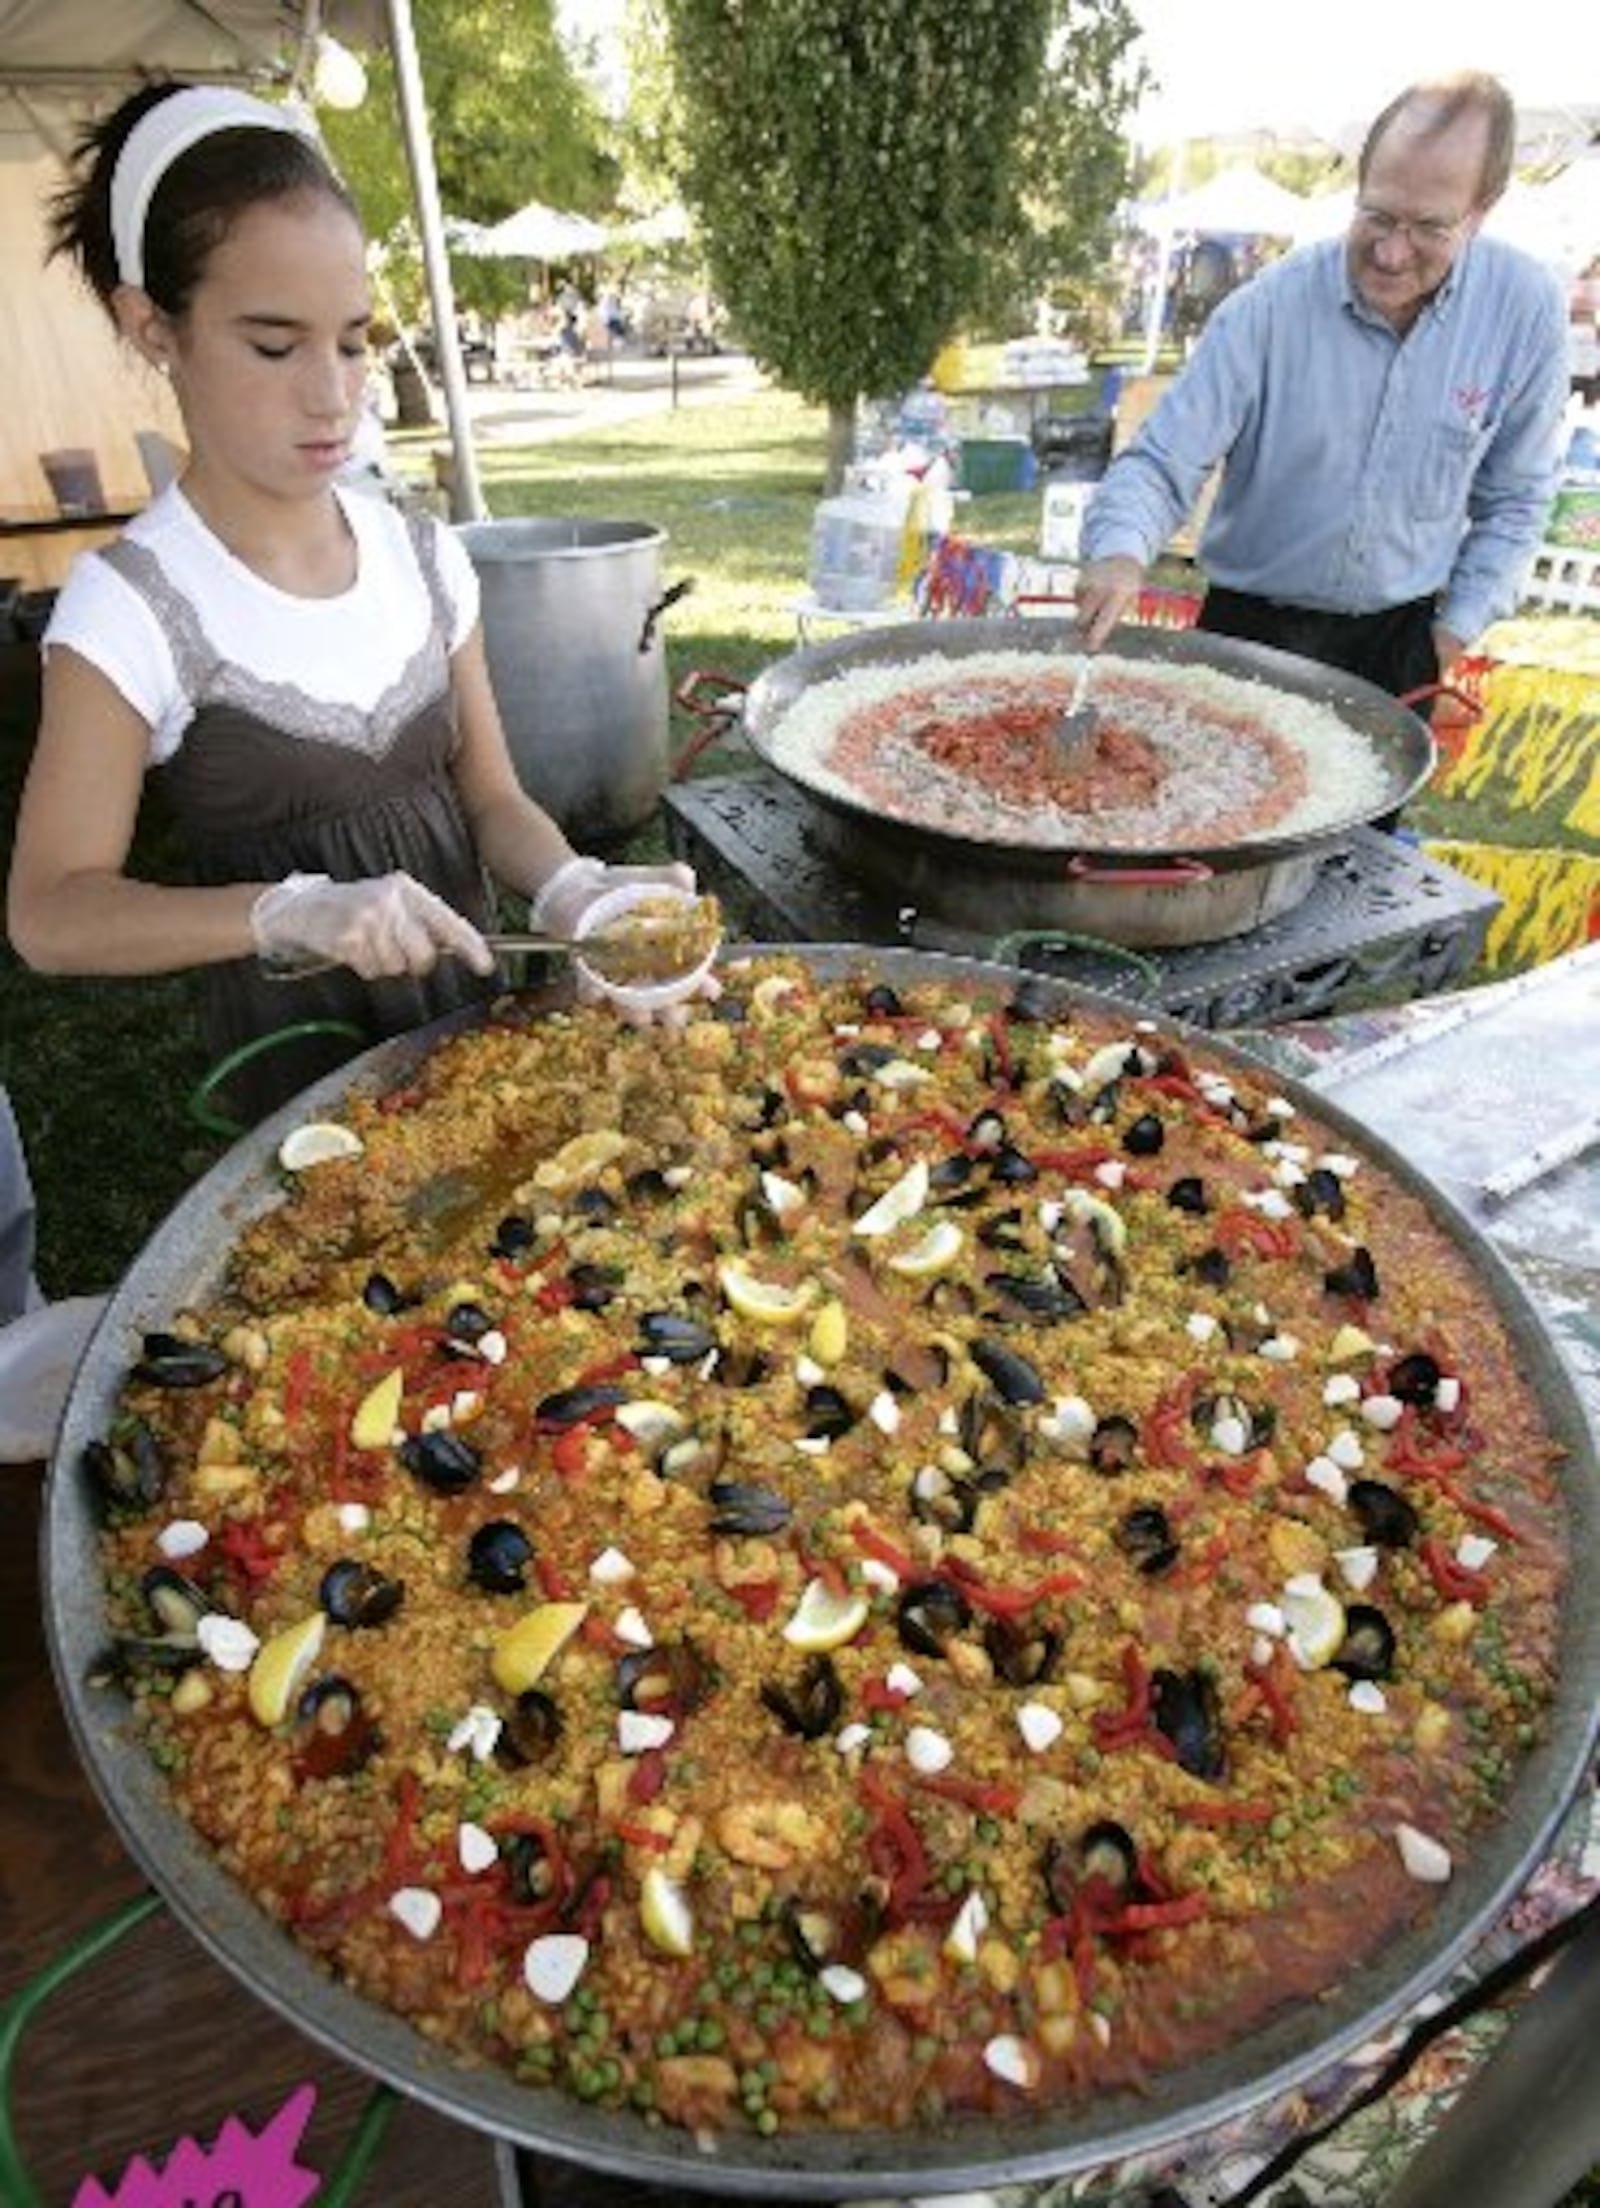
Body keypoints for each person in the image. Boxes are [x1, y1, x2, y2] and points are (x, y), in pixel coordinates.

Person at [5, 83, 699, 1123]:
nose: (332, 394)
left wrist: (570, 892)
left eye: (354, 340)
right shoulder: (131, 608)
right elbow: (52, 913)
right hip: (298, 1065)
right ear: (152, 326)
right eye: (275, 346)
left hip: (468, 1020)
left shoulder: (422, 554)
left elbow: (492, 798)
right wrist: (290, 912)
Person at [1077, 73, 1570, 719]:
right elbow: (1163, 462)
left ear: (1482, 209)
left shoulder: (1525, 311)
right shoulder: (1266, 309)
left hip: (1401, 640)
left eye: (1429, 228)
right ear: (1358, 184)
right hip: (1247, 628)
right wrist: (1118, 555)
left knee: (1366, 828)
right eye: (1377, 215)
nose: (1392, 253)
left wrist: (1449, 637)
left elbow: (1516, 501)